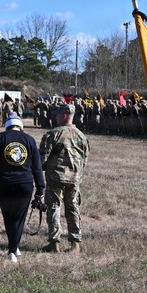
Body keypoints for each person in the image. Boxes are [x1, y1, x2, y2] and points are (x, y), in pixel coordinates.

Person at [0, 112, 45, 263]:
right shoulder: (30, 140)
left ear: (7, 126)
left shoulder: (0, 138)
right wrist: (40, 188)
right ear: (21, 126)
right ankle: (13, 249)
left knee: (8, 216)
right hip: (24, 185)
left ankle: (13, 248)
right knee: (19, 217)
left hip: (3, 184)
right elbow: (37, 168)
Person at [39, 102, 89, 253]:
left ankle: (54, 243)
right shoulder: (81, 135)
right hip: (74, 179)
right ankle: (75, 243)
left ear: (64, 116)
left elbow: (42, 159)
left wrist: (45, 168)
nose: (55, 118)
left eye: (57, 115)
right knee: (73, 208)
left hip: (56, 178)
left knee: (53, 208)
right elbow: (85, 159)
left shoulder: (52, 134)